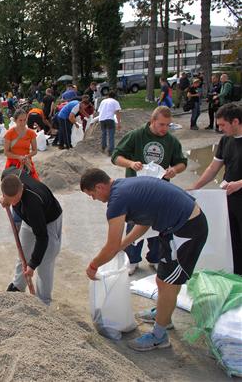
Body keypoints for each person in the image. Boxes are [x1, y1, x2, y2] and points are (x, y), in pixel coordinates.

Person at [81, 169, 207, 351]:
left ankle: (159, 336)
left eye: (92, 194)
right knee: (163, 280)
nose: (93, 199)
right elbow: (144, 222)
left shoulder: (117, 201)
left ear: (100, 187)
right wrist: (122, 245)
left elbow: (111, 244)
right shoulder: (124, 187)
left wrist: (94, 265)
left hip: (186, 231)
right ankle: (164, 314)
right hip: (175, 228)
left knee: (169, 282)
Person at [111, 106, 188, 274]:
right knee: (134, 225)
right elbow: (116, 156)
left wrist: (174, 169)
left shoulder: (171, 141)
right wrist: (131, 163)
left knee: (159, 226)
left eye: (168, 125)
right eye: (161, 124)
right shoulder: (137, 135)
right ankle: (132, 260)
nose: (165, 129)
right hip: (135, 192)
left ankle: (155, 258)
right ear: (152, 121)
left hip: (161, 192)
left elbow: (182, 162)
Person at [191, 103, 242, 275]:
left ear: (235, 121)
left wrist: (239, 183)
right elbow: (213, 168)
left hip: (239, 193)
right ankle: (237, 275)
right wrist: (194, 189)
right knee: (232, 239)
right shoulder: (225, 140)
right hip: (229, 198)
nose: (219, 128)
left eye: (222, 125)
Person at [0, 168, 63, 305]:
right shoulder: (7, 177)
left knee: (45, 261)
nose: (14, 204)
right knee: (23, 253)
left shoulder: (33, 203)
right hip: (28, 220)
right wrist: (6, 201)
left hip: (48, 221)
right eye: (10, 201)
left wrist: (33, 264)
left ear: (21, 188)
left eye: (15, 200)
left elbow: (42, 237)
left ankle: (43, 302)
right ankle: (17, 287)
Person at [4, 108, 39, 180]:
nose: (23, 123)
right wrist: (18, 157)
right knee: (11, 186)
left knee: (34, 185)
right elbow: (6, 152)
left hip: (27, 162)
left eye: (25, 120)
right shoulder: (9, 133)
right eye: (20, 120)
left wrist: (27, 156)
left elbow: (35, 150)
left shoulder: (31, 133)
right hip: (12, 163)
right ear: (15, 120)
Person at [96, 91, 121, 156]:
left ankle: (103, 147)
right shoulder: (115, 102)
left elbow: (99, 111)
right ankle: (110, 150)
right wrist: (118, 123)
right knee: (111, 135)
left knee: (103, 133)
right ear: (115, 97)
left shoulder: (103, 101)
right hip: (110, 119)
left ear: (108, 96)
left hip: (102, 119)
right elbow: (117, 113)